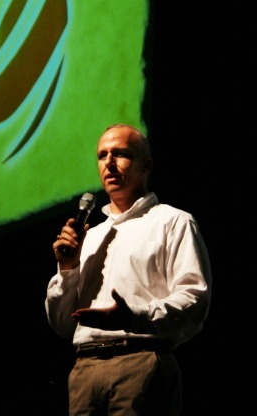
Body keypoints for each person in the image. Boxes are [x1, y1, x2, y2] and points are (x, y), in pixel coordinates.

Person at [45, 123, 212, 415]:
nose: (109, 163)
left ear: (146, 165)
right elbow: (62, 325)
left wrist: (133, 317)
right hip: (84, 368)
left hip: (141, 363)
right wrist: (67, 268)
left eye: (120, 154)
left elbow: (195, 300)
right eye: (102, 155)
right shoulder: (90, 235)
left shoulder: (173, 222)